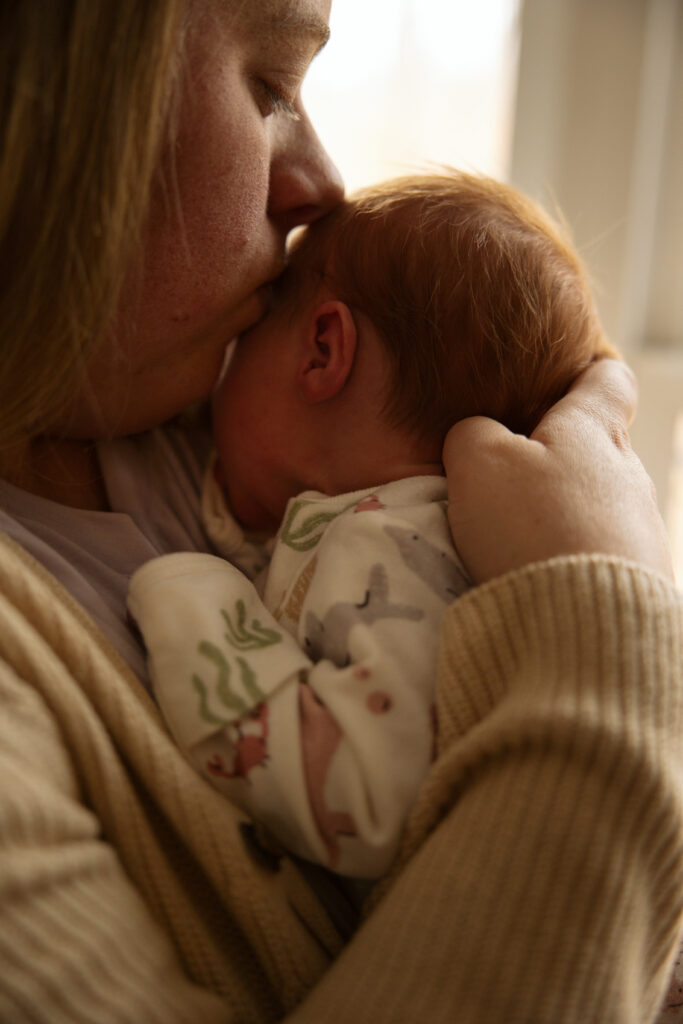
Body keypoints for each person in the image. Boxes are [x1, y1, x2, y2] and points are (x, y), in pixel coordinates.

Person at [0, 2, 681, 1022]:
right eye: (269, 87)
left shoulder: (208, 423)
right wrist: (612, 667)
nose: (322, 183)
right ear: (48, 97)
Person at [127, 170, 619, 882]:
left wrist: (198, 600)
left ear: (322, 350)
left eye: (253, 326)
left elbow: (363, 800)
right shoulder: (366, 519)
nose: (218, 374)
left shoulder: (392, 544)